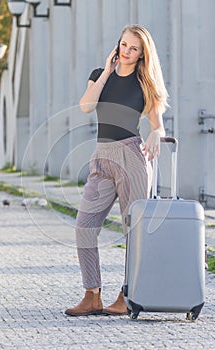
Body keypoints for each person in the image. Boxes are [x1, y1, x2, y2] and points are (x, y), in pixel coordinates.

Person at [65, 24, 169, 316]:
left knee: (133, 230)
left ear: (142, 54)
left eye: (133, 48)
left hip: (131, 155)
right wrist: (107, 72)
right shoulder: (99, 75)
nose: (126, 51)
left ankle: (129, 294)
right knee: (84, 226)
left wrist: (155, 134)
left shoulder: (145, 82)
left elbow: (158, 126)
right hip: (101, 157)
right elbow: (86, 106)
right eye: (123, 44)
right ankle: (92, 294)